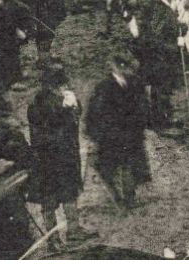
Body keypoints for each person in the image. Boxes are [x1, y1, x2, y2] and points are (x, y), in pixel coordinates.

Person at [25, 62, 88, 246]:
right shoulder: (43, 102)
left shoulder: (45, 99)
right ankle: (56, 238)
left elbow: (74, 115)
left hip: (57, 156)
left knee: (63, 194)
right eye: (62, 84)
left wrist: (74, 105)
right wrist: (68, 107)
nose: (65, 87)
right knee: (56, 196)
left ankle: (66, 234)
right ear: (55, 84)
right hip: (53, 156)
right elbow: (54, 121)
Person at [85, 51, 152, 212]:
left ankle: (129, 198)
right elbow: (95, 113)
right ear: (116, 67)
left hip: (131, 133)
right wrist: (96, 135)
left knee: (131, 165)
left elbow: (142, 107)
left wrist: (140, 124)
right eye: (122, 66)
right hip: (111, 135)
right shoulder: (104, 87)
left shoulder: (134, 84)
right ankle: (116, 198)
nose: (127, 69)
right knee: (110, 168)